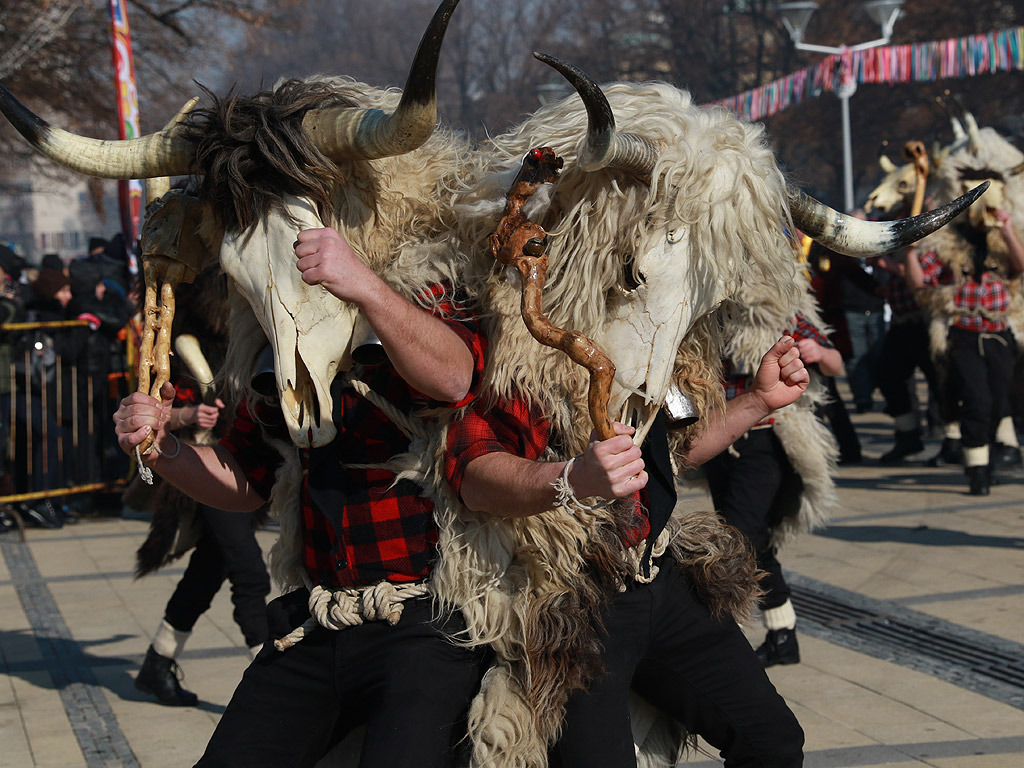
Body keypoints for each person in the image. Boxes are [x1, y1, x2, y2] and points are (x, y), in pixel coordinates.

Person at [114, 226, 488, 767]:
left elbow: (455, 377)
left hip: (425, 621)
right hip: (319, 618)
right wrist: (160, 449)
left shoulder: (426, 279)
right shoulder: (273, 334)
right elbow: (244, 478)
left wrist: (363, 283)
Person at [444, 336, 811, 768]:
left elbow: (670, 455)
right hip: (570, 603)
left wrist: (758, 400)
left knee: (773, 742)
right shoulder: (520, 344)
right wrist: (571, 477)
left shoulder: (647, 333)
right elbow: (472, 472)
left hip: (660, 576)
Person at [703, 315, 842, 668]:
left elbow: (836, 363)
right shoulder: (704, 313)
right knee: (752, 538)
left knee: (740, 534)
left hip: (765, 439)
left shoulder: (779, 313)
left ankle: (722, 635)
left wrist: (817, 351)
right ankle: (783, 635)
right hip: (718, 438)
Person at [907, 207, 1024, 494]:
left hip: (998, 334)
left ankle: (989, 459)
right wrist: (910, 253)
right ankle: (977, 470)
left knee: (999, 402)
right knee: (976, 401)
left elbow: (1019, 266)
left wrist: (1007, 228)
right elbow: (920, 282)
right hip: (964, 334)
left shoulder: (1000, 240)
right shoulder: (949, 242)